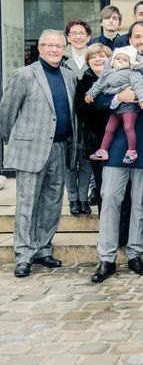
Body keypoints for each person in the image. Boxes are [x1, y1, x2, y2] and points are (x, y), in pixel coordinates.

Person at [90, 20, 143, 283]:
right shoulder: (116, 62)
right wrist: (118, 99)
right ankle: (107, 257)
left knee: (140, 202)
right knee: (111, 198)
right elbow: (99, 98)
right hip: (116, 145)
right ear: (130, 38)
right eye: (137, 36)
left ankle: (136, 253)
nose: (142, 41)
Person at [0, 30, 77, 278]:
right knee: (27, 204)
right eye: (49, 45)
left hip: (60, 147)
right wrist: (13, 142)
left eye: (59, 46)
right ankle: (24, 254)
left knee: (52, 203)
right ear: (40, 48)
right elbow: (6, 112)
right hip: (30, 150)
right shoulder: (24, 74)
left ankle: (44, 248)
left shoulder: (69, 76)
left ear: (64, 48)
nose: (55, 50)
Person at [86, 46, 143, 165]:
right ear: (112, 60)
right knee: (109, 129)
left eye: (124, 60)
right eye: (118, 59)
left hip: (129, 107)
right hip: (115, 108)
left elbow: (139, 86)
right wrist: (90, 94)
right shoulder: (108, 73)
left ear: (130, 63)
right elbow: (99, 85)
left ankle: (132, 151)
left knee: (128, 127)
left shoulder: (133, 73)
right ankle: (103, 150)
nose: (120, 61)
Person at [75, 44, 113, 215]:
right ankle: (105, 229)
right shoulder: (83, 82)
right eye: (93, 57)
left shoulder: (119, 78)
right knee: (101, 187)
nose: (98, 59)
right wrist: (108, 103)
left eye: (102, 55)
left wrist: (95, 102)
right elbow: (82, 111)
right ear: (88, 62)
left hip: (119, 141)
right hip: (96, 142)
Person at [63, 19, 93, 216]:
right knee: (69, 161)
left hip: (89, 118)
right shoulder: (61, 58)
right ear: (68, 37)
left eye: (82, 33)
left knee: (86, 160)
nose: (78, 36)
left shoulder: (95, 57)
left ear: (88, 36)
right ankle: (73, 198)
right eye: (74, 33)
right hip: (68, 118)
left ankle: (84, 198)